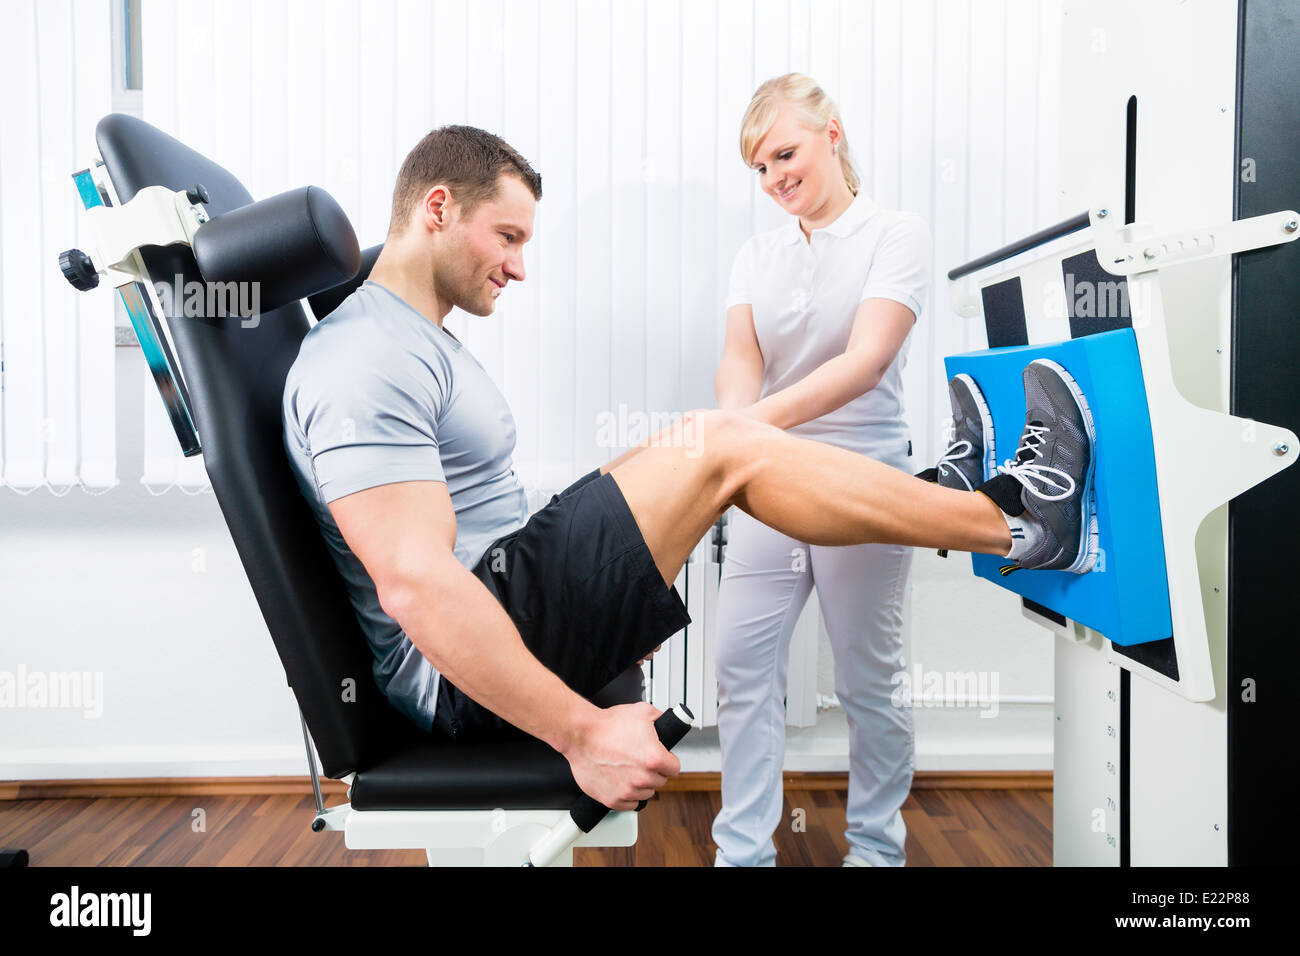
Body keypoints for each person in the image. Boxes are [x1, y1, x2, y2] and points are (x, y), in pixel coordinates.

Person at [281, 125, 1099, 813]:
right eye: (508, 237)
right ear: (437, 209)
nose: (519, 266)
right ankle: (1017, 523)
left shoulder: (404, 337)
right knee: (722, 449)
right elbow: (415, 586)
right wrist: (581, 733)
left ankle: (955, 499)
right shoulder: (363, 357)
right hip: (461, 673)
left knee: (698, 439)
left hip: (508, 588)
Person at [710, 73, 929, 868]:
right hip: (770, 485)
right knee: (740, 671)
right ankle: (743, 854)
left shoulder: (893, 234)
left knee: (868, 682)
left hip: (863, 480)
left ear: (832, 135)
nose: (774, 179)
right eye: (760, 168)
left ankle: (875, 850)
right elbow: (740, 363)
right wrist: (739, 436)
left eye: (785, 154)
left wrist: (741, 431)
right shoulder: (756, 253)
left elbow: (867, 362)